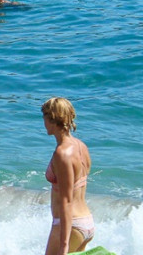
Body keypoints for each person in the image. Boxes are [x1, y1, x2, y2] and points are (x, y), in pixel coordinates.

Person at [42, 97, 94, 255]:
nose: (43, 122)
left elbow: (67, 201)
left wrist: (64, 246)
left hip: (71, 226)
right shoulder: (80, 146)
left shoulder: (62, 153)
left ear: (53, 119)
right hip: (86, 222)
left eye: (44, 117)